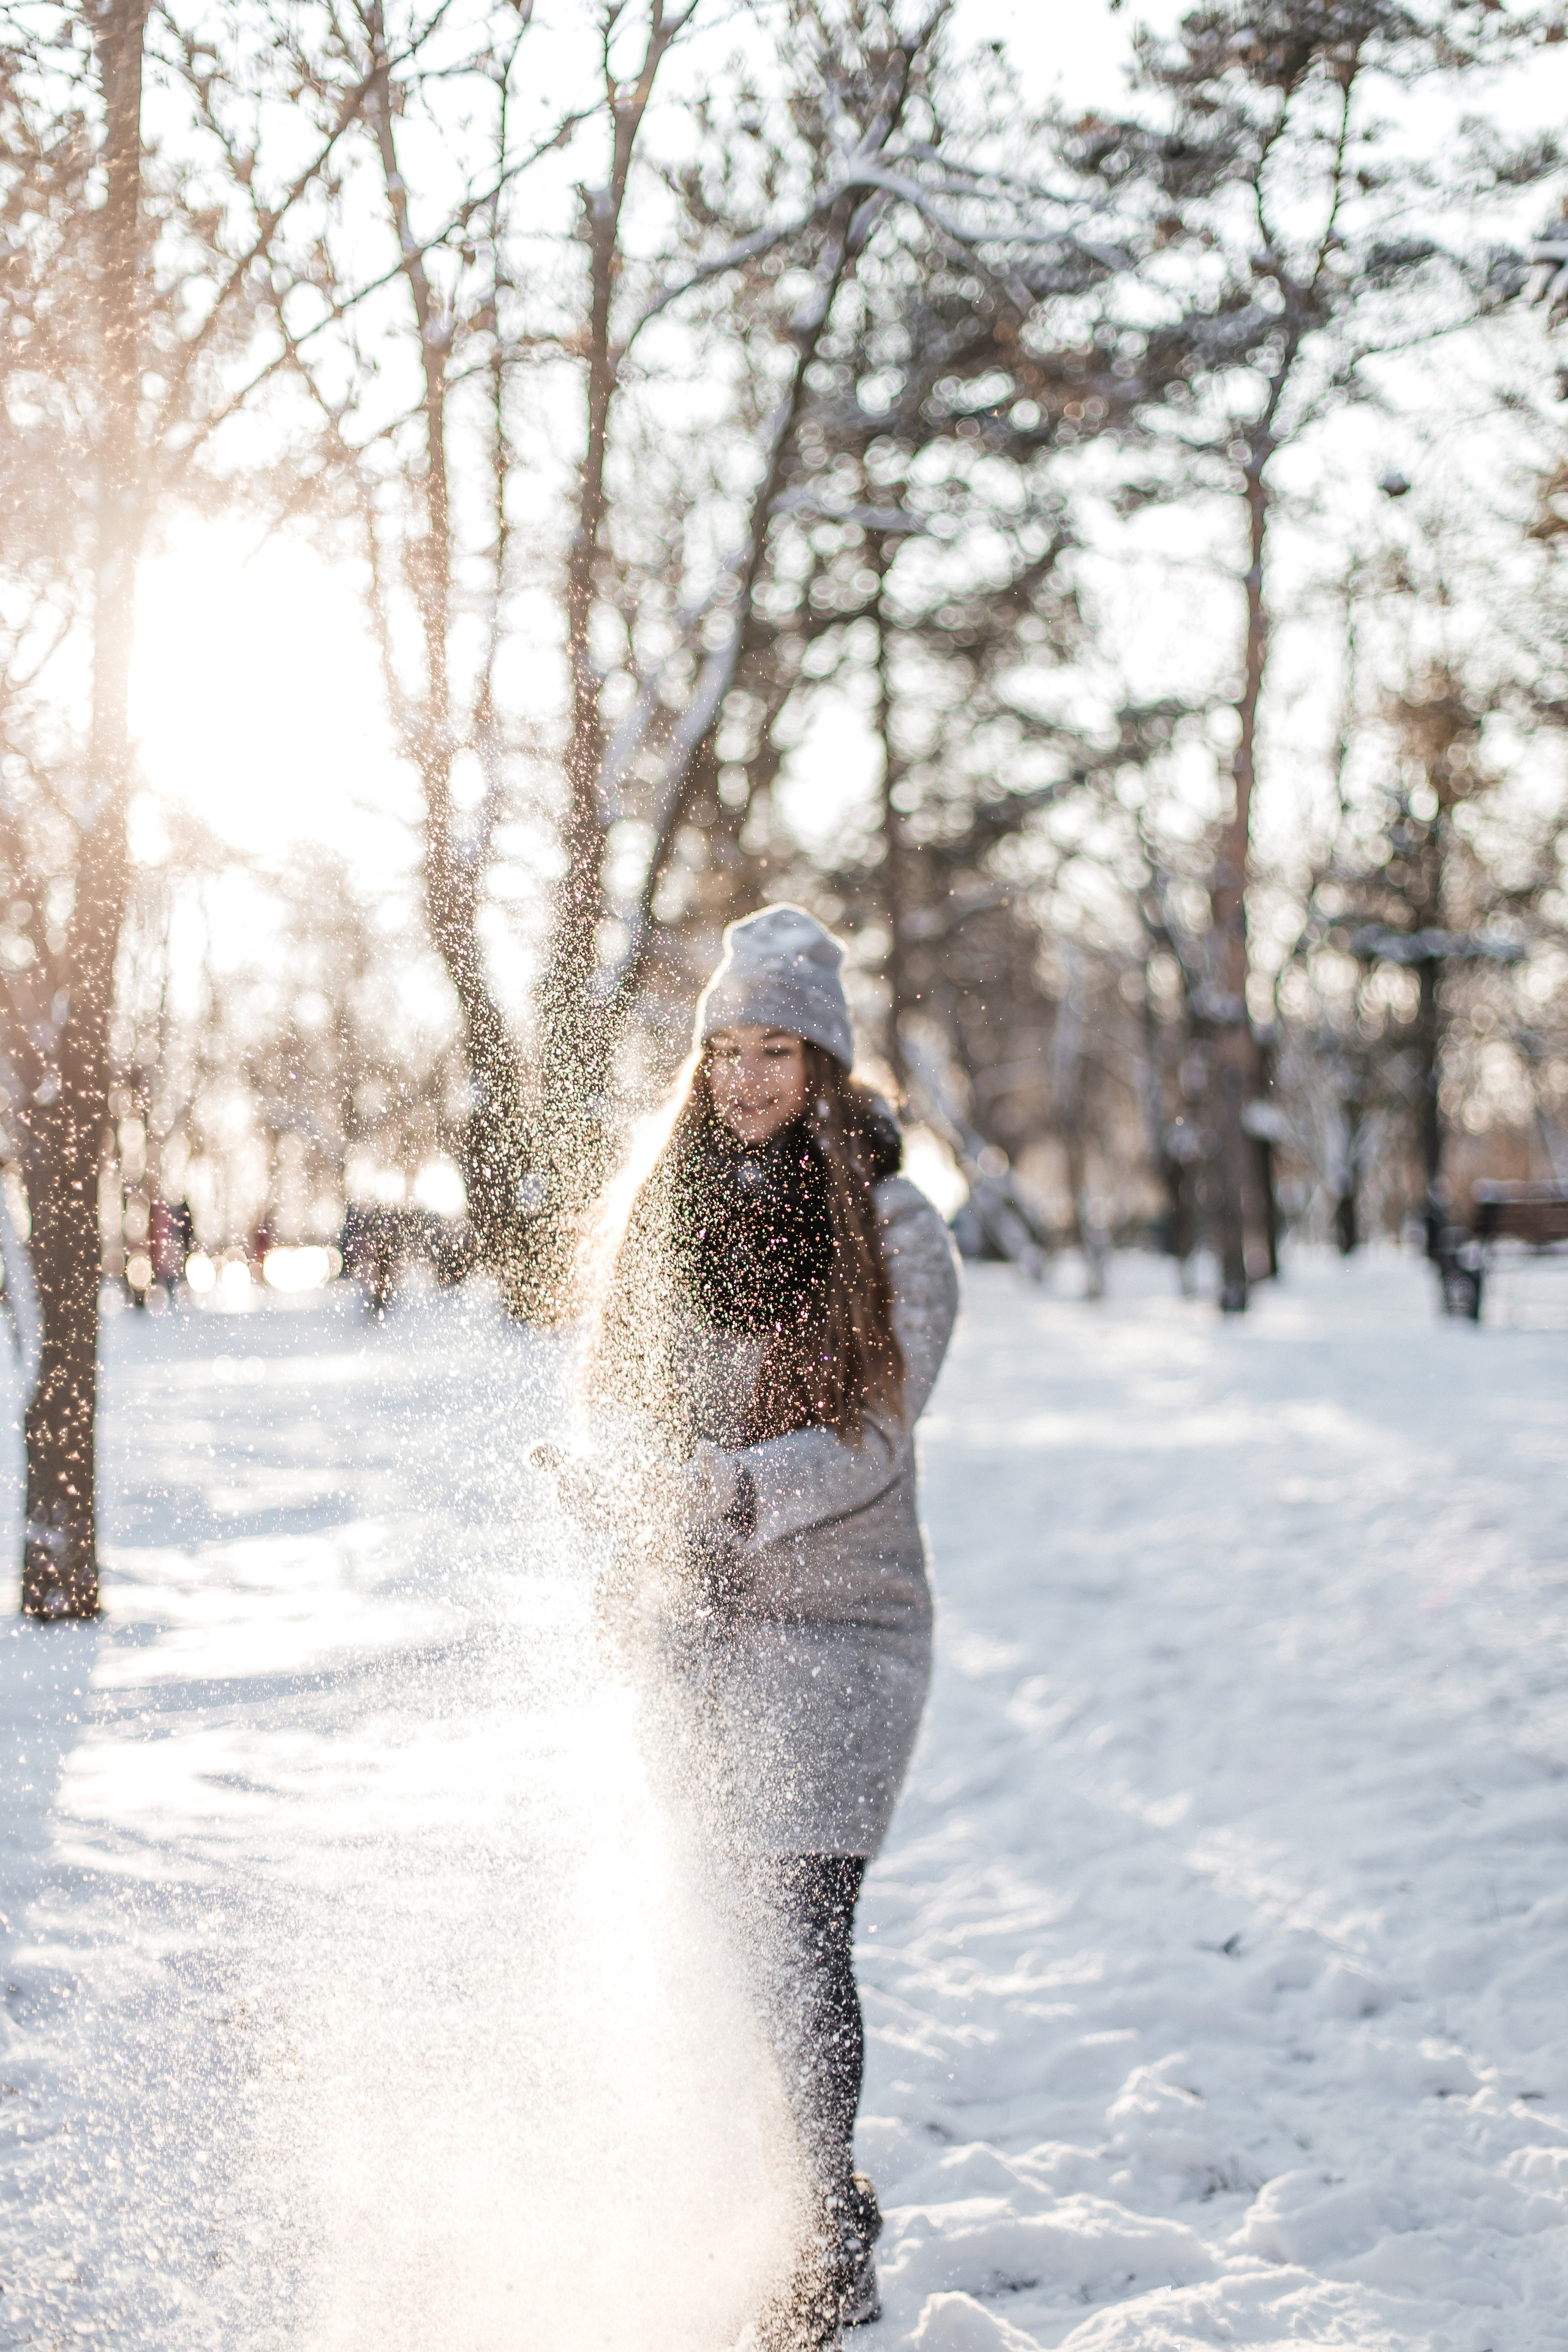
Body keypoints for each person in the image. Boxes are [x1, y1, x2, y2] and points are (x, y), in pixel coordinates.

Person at [538, 905, 960, 2350]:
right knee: (720, 1936)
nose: (745, 1080)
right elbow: (616, 1391)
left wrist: (716, 1492)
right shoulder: (673, 1206)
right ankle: (766, 2204)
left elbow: (872, 1442)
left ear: (826, 1064)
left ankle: (822, 2239)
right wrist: (614, 1485)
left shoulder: (900, 1233)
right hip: (694, 1620)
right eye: (723, 1052)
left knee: (796, 1924)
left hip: (843, 1629)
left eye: (774, 1050)